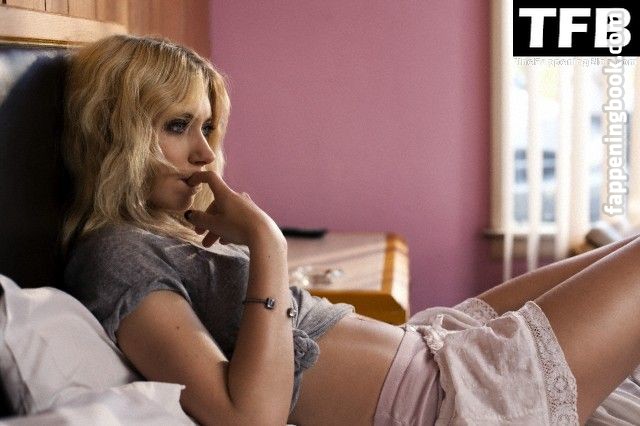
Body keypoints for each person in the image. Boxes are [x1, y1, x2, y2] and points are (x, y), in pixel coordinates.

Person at [60, 34, 640, 426]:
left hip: (437, 347)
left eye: (207, 128)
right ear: (116, 132)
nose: (206, 153)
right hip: (444, 401)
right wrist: (267, 244)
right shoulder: (115, 256)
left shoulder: (156, 237)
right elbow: (248, 418)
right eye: (178, 126)